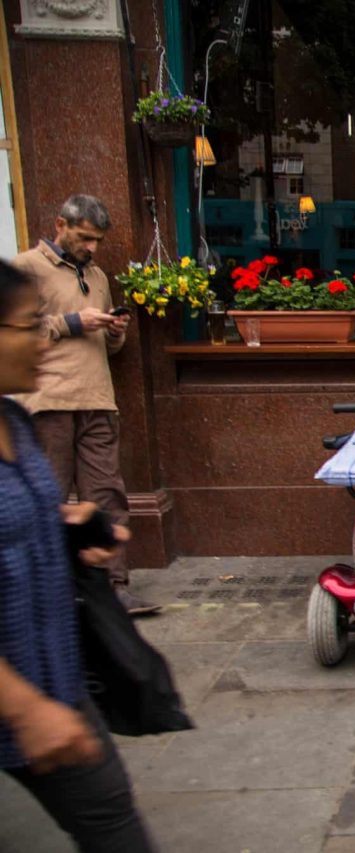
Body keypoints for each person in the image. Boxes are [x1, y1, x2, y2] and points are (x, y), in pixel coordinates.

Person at [0, 258, 156, 852]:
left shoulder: (15, 418)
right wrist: (24, 709)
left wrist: (72, 530)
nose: (43, 337)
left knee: (110, 815)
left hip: (53, 672)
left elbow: (29, 511)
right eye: (26, 325)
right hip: (19, 695)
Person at [9, 195, 159, 616]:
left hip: (97, 398)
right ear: (61, 223)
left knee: (107, 494)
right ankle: (44, 590)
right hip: (47, 400)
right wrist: (74, 321)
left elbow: (111, 350)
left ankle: (113, 588)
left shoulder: (96, 276)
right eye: (85, 238)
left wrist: (114, 331)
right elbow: (18, 332)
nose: (92, 248)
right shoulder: (26, 268)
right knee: (49, 495)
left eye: (97, 240)